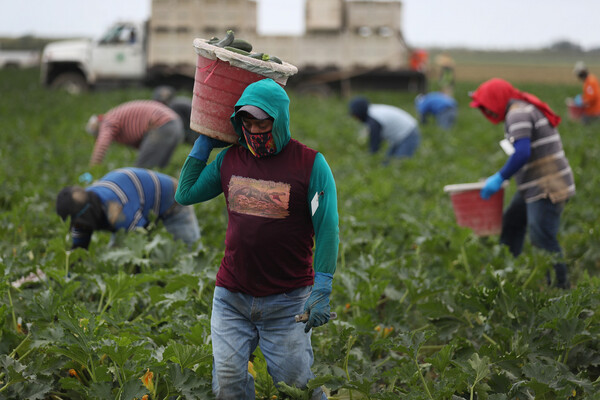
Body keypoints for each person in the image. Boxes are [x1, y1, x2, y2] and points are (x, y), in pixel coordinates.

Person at [175, 78, 339, 399]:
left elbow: (327, 226)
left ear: (279, 120)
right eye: (246, 122)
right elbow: (185, 194)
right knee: (228, 383)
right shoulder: (230, 160)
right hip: (231, 297)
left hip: (288, 301)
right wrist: (203, 145)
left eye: (261, 122)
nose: (253, 130)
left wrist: (323, 285)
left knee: (297, 388)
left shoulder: (310, 165)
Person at [469, 78, 575, 289]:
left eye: (487, 106)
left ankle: (561, 290)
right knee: (512, 224)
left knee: (543, 238)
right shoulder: (522, 108)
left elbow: (522, 153)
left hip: (546, 186)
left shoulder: (517, 113)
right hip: (533, 185)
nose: (487, 113)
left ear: (497, 99)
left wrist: (500, 177)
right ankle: (506, 274)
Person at [56, 167, 200, 250]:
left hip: (174, 201)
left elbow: (138, 243)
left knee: (190, 253)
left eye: (79, 223)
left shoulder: (118, 208)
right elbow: (78, 250)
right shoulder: (82, 211)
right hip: (139, 203)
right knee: (115, 255)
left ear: (87, 213)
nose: (78, 226)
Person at [86, 100, 184, 168]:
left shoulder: (107, 121)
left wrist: (94, 167)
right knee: (159, 167)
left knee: (141, 169)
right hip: (175, 124)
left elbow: (102, 144)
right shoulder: (115, 117)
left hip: (162, 125)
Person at [349, 96, 420, 164]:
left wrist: (371, 158)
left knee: (400, 163)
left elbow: (375, 142)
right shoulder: (372, 112)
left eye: (356, 116)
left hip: (408, 134)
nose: (356, 119)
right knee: (387, 163)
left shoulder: (373, 119)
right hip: (400, 136)